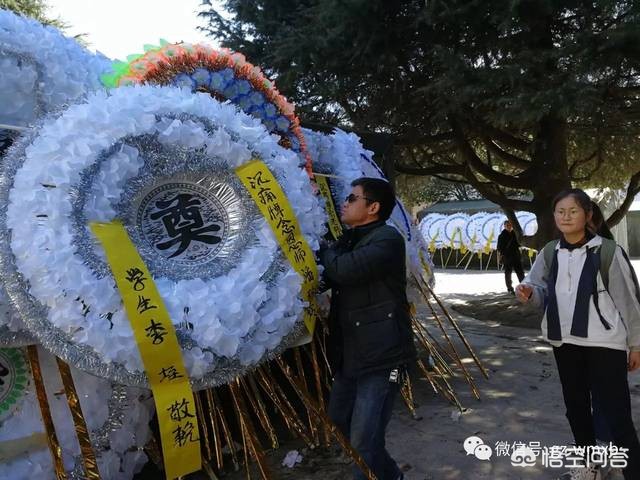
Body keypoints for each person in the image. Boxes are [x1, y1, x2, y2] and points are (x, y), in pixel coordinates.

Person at [516, 189, 640, 480]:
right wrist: (529, 292)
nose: (566, 217)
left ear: (588, 214)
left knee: (616, 413)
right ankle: (589, 467)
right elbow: (538, 288)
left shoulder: (607, 252)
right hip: (565, 342)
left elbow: (629, 301)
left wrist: (636, 343)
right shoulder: (549, 252)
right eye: (560, 211)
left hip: (604, 343)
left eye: (573, 211)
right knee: (576, 408)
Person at [318, 177, 416, 480]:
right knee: (340, 422)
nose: (344, 204)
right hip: (352, 353)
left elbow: (343, 270)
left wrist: (323, 248)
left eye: (352, 198)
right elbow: (328, 276)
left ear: (372, 207)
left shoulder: (387, 239)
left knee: (363, 439)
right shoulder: (351, 239)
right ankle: (390, 475)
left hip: (384, 356)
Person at [497, 220, 525, 294]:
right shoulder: (501, 236)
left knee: (520, 272)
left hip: (516, 256)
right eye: (507, 225)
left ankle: (523, 286)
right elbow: (499, 247)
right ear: (504, 226)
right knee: (508, 273)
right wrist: (504, 253)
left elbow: (519, 244)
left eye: (510, 225)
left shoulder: (515, 234)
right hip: (507, 257)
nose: (509, 227)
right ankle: (509, 288)